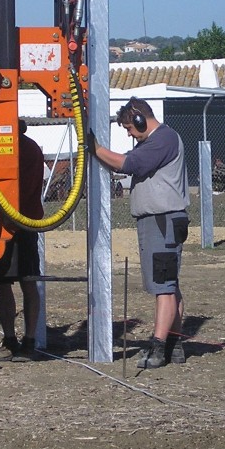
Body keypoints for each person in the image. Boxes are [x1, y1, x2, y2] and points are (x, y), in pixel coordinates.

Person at [90, 97, 189, 369]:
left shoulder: (163, 140)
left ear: (139, 119)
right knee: (168, 284)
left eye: (129, 129)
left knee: (164, 287)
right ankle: (174, 343)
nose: (130, 135)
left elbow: (127, 164)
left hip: (162, 221)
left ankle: (158, 347)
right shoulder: (156, 142)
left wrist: (95, 148)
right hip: (159, 221)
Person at [0, 120, 45, 362]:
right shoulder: (13, 150)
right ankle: (17, 340)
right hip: (7, 224)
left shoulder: (22, 150)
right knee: (8, 282)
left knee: (17, 281)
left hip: (17, 223)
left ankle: (22, 341)